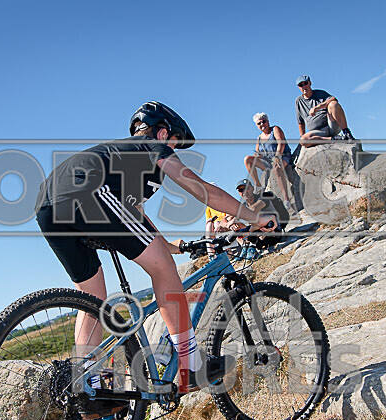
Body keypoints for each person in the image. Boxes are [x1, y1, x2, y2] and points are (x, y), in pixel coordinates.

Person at [35, 101, 276, 404]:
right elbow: (202, 189)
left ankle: (87, 388)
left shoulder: (122, 159)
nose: (174, 150)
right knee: (162, 268)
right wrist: (255, 218)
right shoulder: (151, 146)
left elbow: (135, 216)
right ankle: (191, 365)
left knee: (92, 297)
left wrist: (172, 247)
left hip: (48, 203)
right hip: (87, 192)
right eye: (174, 143)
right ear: (162, 133)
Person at [227, 179, 291, 259]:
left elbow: (253, 210)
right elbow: (225, 221)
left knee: (254, 221)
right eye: (241, 190)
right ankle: (246, 248)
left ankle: (251, 248)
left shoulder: (263, 197)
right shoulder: (244, 206)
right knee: (236, 225)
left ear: (252, 188)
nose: (244, 192)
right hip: (260, 237)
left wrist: (233, 220)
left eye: (246, 188)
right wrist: (230, 224)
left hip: (274, 233)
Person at [244, 112, 295, 212]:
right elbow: (257, 153)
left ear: (268, 121)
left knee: (277, 169)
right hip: (268, 161)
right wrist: (256, 158)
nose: (262, 124)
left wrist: (277, 156)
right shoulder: (259, 138)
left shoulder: (275, 130)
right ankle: (258, 185)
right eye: (259, 123)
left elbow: (281, 143)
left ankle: (286, 199)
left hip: (283, 156)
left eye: (264, 122)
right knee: (247, 159)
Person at [295, 75, 355, 147]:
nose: (304, 86)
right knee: (303, 140)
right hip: (318, 132)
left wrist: (317, 108)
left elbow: (334, 99)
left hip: (331, 126)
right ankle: (334, 139)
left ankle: (347, 133)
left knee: (333, 104)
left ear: (310, 83)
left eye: (305, 83)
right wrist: (302, 137)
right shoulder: (298, 101)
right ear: (299, 87)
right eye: (301, 85)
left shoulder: (320, 93)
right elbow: (300, 122)